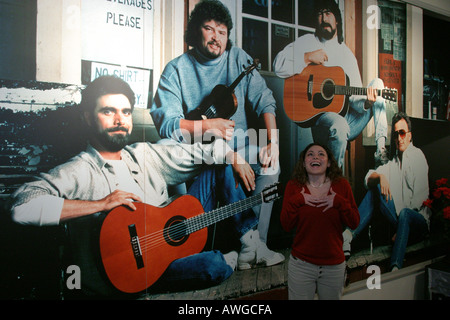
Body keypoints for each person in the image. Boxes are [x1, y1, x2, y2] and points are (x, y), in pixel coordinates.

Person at [9, 75, 267, 298]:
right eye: (108, 111)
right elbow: (21, 207)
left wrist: (232, 156)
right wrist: (100, 204)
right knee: (214, 265)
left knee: (219, 163)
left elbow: (203, 152)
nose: (120, 119)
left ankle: (248, 243)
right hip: (140, 270)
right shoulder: (80, 169)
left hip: (172, 240)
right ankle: (228, 259)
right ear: (88, 117)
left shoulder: (142, 154)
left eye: (126, 111)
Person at [150, 0, 284, 269]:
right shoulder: (176, 69)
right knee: (208, 158)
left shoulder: (238, 58)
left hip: (242, 144)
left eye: (222, 32)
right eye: (209, 29)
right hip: (199, 149)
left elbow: (265, 100)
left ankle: (257, 244)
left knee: (272, 162)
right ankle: (238, 245)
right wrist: (207, 127)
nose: (216, 37)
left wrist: (273, 142)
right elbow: (167, 124)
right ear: (195, 32)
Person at [273, 0, 388, 168]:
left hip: (349, 120)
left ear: (337, 20)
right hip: (323, 119)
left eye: (328, 13)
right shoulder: (306, 42)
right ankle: (333, 181)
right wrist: (307, 57)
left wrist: (366, 102)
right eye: (319, 14)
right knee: (339, 125)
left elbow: (355, 99)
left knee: (377, 83)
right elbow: (278, 65)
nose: (324, 18)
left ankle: (381, 151)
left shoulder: (346, 54)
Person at [343, 112, 430, 271]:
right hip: (400, 222)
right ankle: (347, 236)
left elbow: (420, 200)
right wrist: (380, 176)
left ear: (409, 136)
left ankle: (395, 266)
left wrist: (403, 231)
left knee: (405, 213)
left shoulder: (418, 157)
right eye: (396, 134)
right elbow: (367, 179)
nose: (399, 138)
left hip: (418, 222)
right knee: (375, 187)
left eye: (402, 133)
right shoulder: (394, 162)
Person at [280, 143, 359, 300]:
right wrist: (299, 199)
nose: (315, 156)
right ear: (303, 163)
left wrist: (338, 201)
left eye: (321, 154)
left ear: (329, 162)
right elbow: (286, 225)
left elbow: (354, 222)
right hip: (301, 266)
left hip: (334, 267)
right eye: (310, 154)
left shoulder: (341, 186)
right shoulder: (294, 187)